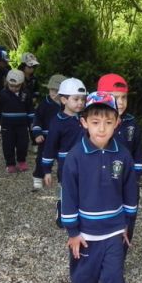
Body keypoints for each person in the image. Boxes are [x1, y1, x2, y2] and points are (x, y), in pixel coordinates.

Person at [61, 92, 138, 283]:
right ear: (84, 122)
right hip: (85, 235)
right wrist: (73, 231)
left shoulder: (123, 155)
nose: (101, 128)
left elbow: (130, 192)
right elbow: (68, 195)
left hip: (114, 233)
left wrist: (127, 224)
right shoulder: (75, 156)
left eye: (108, 122)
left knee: (114, 281)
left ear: (117, 123)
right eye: (95, 122)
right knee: (84, 280)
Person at [97, 73, 142, 250]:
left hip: (127, 182)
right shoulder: (96, 124)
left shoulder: (131, 123)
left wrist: (135, 176)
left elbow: (138, 151)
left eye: (124, 97)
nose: (121, 102)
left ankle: (120, 253)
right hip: (102, 182)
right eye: (116, 98)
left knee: (127, 218)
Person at [42, 77, 87, 225]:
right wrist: (47, 170)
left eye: (83, 99)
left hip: (85, 162)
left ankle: (81, 214)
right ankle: (62, 210)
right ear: (64, 100)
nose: (80, 103)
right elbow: (49, 147)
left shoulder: (85, 119)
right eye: (76, 99)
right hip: (66, 165)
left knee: (83, 188)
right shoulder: (57, 122)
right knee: (67, 189)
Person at [0, 69, 34, 173]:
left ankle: (21, 161)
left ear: (22, 84)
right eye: (11, 86)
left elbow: (30, 109)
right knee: (8, 145)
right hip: (7, 125)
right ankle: (10, 163)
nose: (14, 88)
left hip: (22, 125)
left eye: (17, 86)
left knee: (23, 144)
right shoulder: (2, 94)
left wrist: (32, 121)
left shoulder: (26, 94)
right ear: (7, 83)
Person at [31, 74, 66, 190]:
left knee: (63, 160)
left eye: (57, 91)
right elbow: (37, 120)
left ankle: (63, 180)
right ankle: (38, 176)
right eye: (51, 90)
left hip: (62, 138)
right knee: (42, 158)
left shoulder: (67, 105)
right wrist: (37, 133)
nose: (53, 93)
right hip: (46, 138)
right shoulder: (44, 104)